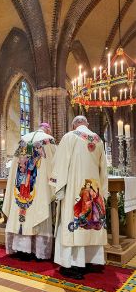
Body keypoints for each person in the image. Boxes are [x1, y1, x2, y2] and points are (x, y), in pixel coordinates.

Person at [51, 115, 108, 280]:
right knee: (91, 221)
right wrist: (102, 192)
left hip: (75, 190)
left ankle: (74, 264)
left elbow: (60, 164)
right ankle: (90, 260)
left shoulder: (69, 137)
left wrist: (58, 188)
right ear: (87, 124)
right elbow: (103, 169)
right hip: (93, 190)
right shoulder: (98, 140)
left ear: (73, 125)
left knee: (76, 221)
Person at [3, 122, 56, 260]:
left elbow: (15, 166)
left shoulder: (23, 139)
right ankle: (38, 252)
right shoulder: (48, 140)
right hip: (36, 187)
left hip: (20, 186)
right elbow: (55, 164)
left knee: (22, 217)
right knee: (37, 213)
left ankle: (21, 249)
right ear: (48, 130)